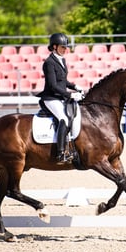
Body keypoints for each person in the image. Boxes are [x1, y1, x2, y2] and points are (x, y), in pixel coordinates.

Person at [36, 33, 84, 163]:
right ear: (54, 46)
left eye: (66, 47)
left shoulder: (62, 60)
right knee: (63, 118)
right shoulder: (49, 63)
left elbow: (63, 81)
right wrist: (70, 94)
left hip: (59, 96)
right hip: (50, 97)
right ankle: (61, 153)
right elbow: (53, 85)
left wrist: (75, 86)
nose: (65, 50)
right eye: (63, 47)